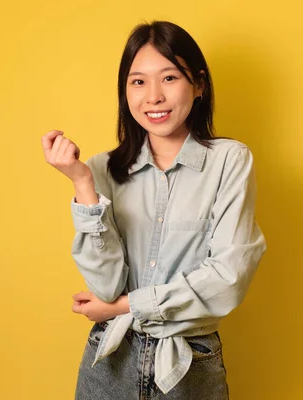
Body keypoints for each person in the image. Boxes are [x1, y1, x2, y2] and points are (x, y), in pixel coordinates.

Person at [41, 20, 266, 400]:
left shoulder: (230, 160)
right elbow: (106, 285)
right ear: (124, 92)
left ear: (198, 85)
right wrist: (82, 184)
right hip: (109, 359)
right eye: (138, 82)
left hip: (189, 362)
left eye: (170, 78)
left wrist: (124, 306)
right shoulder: (100, 169)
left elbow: (228, 276)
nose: (154, 97)